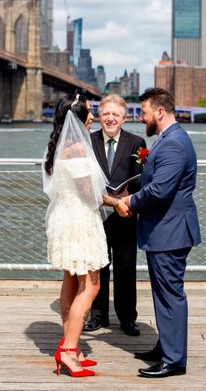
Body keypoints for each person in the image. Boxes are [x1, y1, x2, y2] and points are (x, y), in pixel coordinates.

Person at [42, 94, 129, 378]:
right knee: (91, 285)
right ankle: (68, 351)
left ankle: (70, 345)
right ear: (77, 117)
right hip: (79, 222)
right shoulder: (77, 147)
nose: (92, 117)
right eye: (89, 113)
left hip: (63, 219)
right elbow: (88, 193)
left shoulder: (57, 145)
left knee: (71, 279)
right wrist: (117, 202)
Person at [122, 88, 201, 378]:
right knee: (163, 292)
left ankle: (175, 360)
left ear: (159, 112)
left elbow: (160, 190)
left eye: (143, 113)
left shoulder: (174, 144)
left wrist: (130, 201)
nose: (140, 118)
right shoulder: (168, 140)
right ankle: (166, 346)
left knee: (170, 294)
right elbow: (152, 180)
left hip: (171, 231)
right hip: (164, 230)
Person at [83, 94, 146, 336]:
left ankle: (127, 318)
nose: (110, 119)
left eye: (115, 115)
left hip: (125, 214)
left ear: (124, 118)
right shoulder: (88, 142)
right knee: (98, 267)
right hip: (96, 215)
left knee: (126, 268)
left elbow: (141, 177)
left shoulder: (137, 142)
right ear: (100, 116)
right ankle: (98, 315)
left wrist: (129, 197)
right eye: (106, 114)